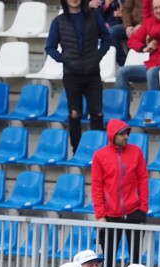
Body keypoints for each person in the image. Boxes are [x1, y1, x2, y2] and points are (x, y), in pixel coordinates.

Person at [91, 118, 148, 267]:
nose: (126, 136)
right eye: (122, 133)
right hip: (110, 216)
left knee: (136, 260)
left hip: (133, 213)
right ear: (113, 135)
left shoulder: (136, 152)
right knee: (108, 259)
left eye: (127, 133)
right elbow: (97, 187)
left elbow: (143, 180)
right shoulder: (100, 156)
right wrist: (100, 215)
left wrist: (143, 209)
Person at [45, 0, 112, 154]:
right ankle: (77, 151)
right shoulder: (58, 21)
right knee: (75, 113)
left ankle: (99, 151)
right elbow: (50, 47)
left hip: (92, 73)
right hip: (71, 75)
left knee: (97, 113)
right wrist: (63, 58)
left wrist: (98, 55)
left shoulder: (93, 16)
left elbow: (107, 38)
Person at [116, 0, 160, 93]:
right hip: (153, 64)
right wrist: (143, 48)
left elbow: (159, 31)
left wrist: (149, 35)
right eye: (155, 8)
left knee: (151, 73)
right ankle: (122, 106)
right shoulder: (150, 21)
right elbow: (132, 40)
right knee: (122, 72)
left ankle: (154, 106)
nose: (159, 11)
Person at [112, 0, 147, 66]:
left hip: (147, 25)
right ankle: (124, 63)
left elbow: (154, 13)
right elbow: (126, 9)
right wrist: (128, 26)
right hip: (132, 24)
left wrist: (142, 25)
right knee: (111, 33)